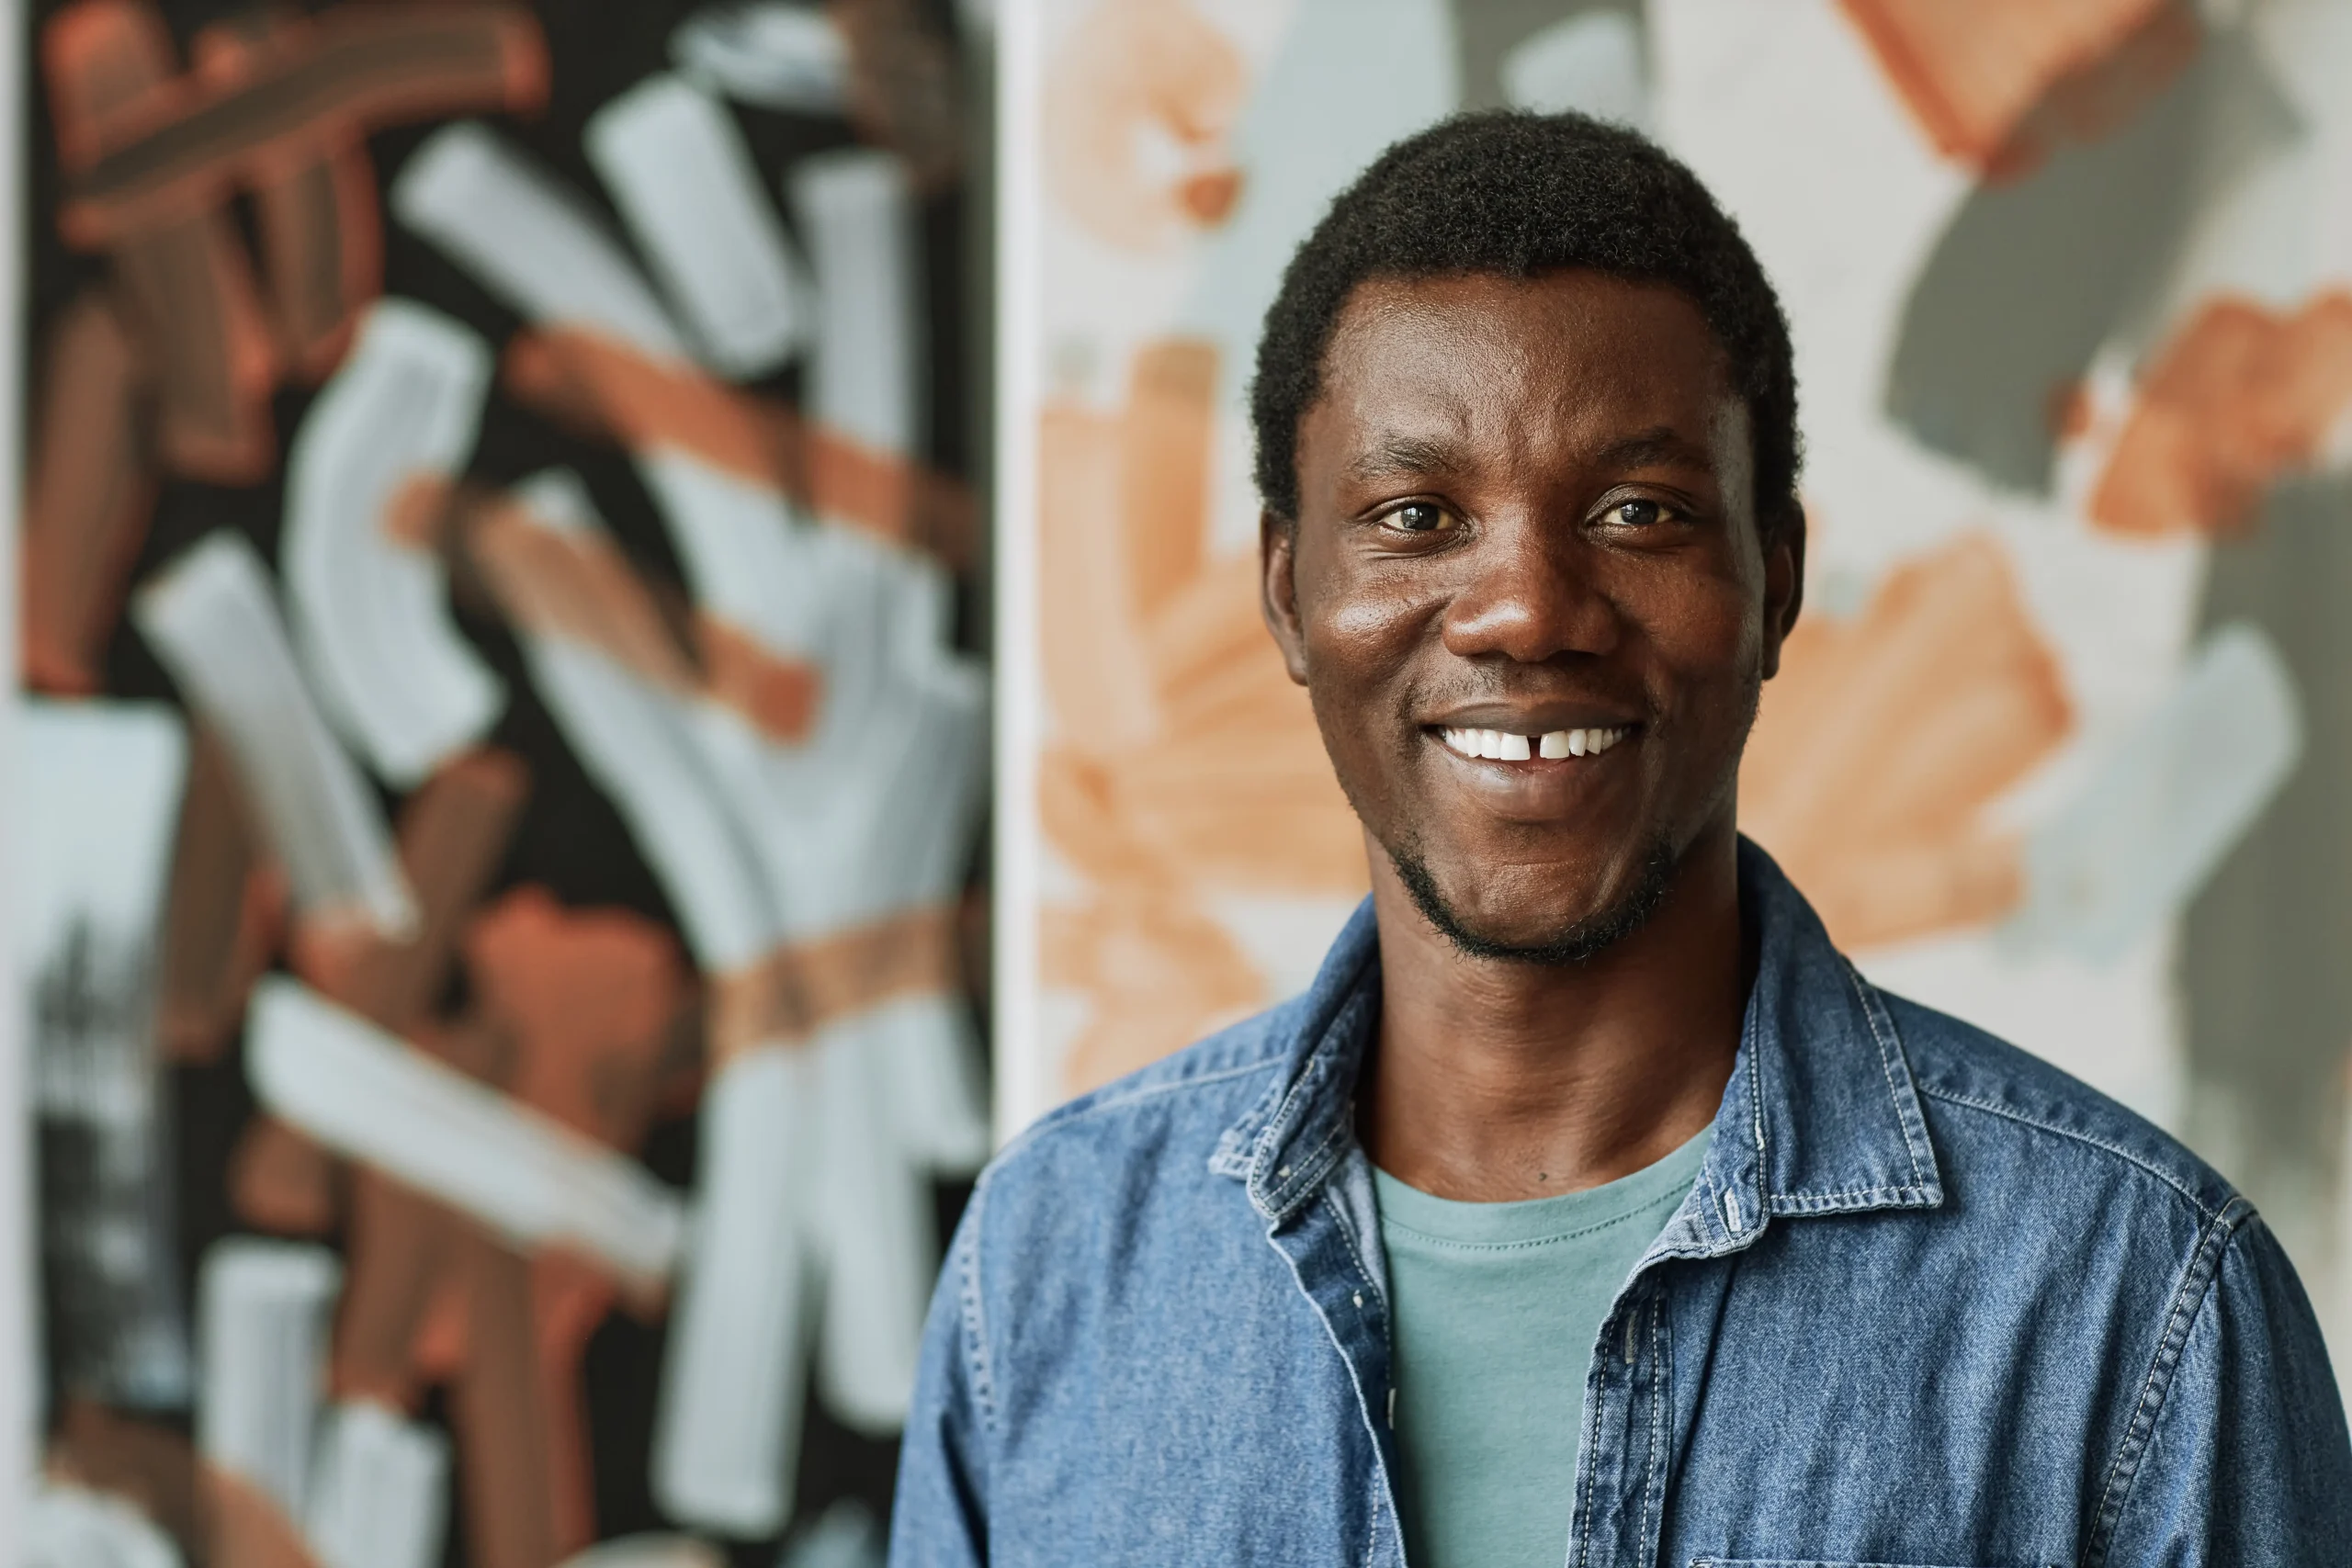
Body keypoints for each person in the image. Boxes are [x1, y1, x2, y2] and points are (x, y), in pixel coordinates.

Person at [889, 111, 2352, 1567]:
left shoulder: (2136, 1302)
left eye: (1638, 510)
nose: (1524, 607)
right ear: (1288, 595)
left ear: (1774, 581)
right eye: (1416, 513)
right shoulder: (1051, 1263)